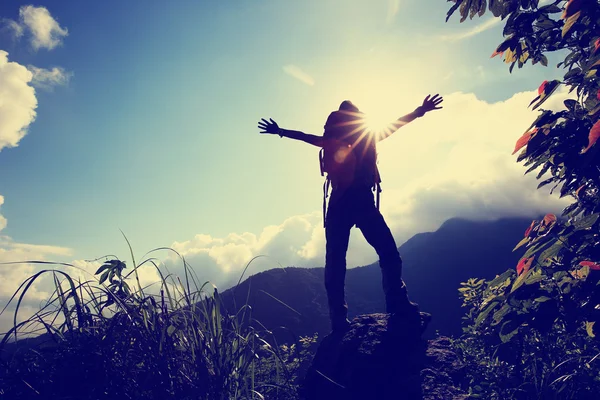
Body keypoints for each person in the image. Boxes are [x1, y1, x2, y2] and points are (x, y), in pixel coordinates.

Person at [258, 94, 443, 333]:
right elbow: (397, 123)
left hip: (337, 204)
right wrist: (421, 110)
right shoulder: (367, 137)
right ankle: (398, 303)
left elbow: (306, 137)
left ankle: (338, 318)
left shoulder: (330, 139)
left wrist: (280, 131)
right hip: (362, 202)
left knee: (335, 263)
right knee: (388, 253)